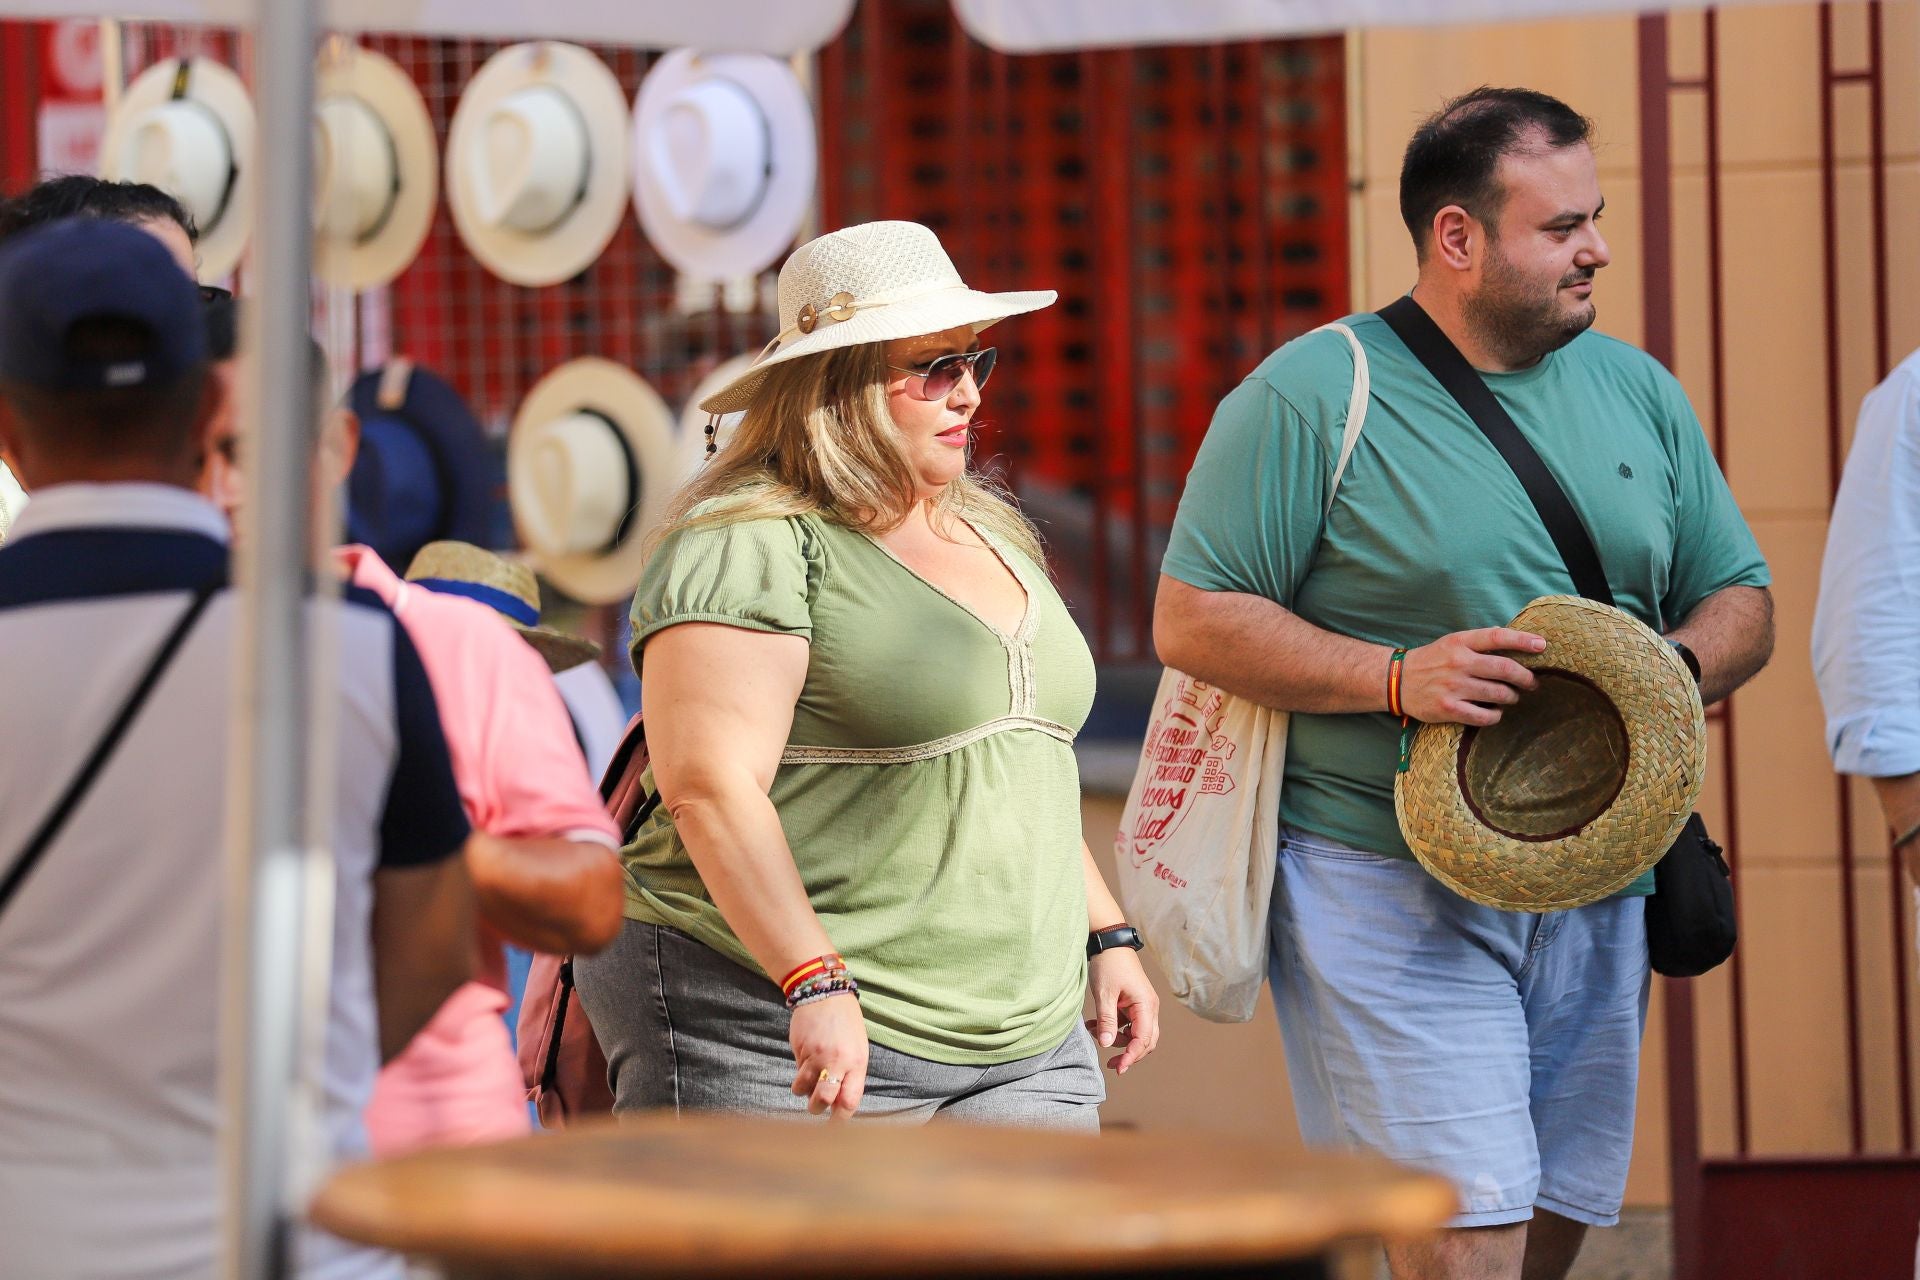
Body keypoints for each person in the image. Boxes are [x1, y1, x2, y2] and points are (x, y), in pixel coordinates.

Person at [1153, 88, 1774, 1280]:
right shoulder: (1311, 394)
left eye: (1595, 217)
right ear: (1458, 238)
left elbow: (1740, 594)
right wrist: (1394, 676)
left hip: (1603, 880)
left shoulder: (1637, 388)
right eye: (1561, 227)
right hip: (1377, 879)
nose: (1595, 247)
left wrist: (1664, 669)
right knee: (1467, 1230)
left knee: (1547, 1224)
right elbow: (1191, 615)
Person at [576, 220, 1160, 1127]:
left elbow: (1017, 763)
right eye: (936, 369)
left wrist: (1105, 930)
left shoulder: (991, 530)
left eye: (977, 363)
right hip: (761, 1016)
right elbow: (707, 787)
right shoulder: (747, 539)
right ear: (837, 387)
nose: (968, 392)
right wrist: (810, 976)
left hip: (1023, 1040)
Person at [0, 218, 474, 1277]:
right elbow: (436, 944)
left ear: (4, 425)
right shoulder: (350, 645)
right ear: (214, 406)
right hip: (305, 1240)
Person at [204, 359, 624, 1152]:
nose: (226, 489)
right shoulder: (132, 646)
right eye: (196, 457)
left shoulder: (463, 649)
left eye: (249, 454)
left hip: (429, 1147)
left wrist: (407, 838)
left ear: (334, 452)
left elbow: (588, 901)